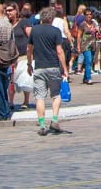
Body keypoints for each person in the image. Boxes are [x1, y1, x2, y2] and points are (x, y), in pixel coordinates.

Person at [28, 7, 70, 135]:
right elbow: (59, 51)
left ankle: (41, 124)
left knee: (39, 97)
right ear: (51, 18)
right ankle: (54, 120)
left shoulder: (34, 30)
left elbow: (29, 49)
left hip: (39, 67)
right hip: (53, 66)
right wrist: (65, 68)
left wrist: (29, 64)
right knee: (56, 95)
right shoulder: (55, 31)